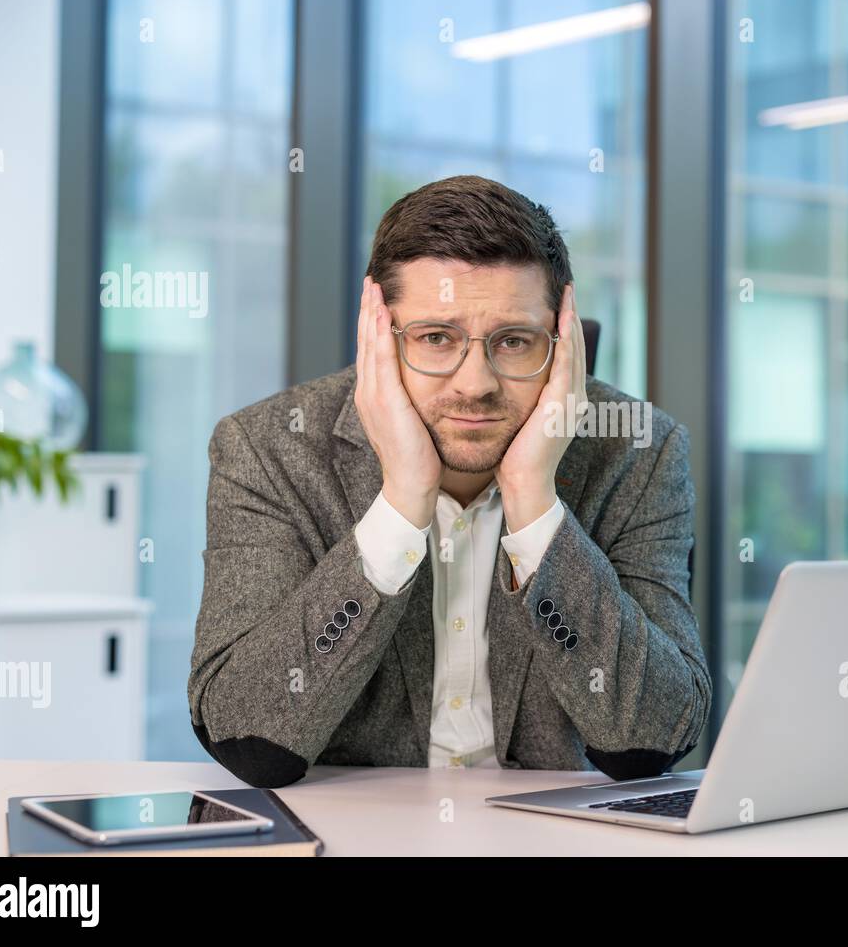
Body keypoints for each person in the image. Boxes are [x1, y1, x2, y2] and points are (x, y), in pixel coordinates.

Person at [187, 175, 710, 788]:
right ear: (378, 333)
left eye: (513, 342)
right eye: (437, 338)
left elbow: (653, 741)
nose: (475, 384)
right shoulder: (267, 449)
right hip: (349, 829)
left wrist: (534, 502)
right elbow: (246, 735)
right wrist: (401, 502)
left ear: (561, 340)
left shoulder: (640, 451)